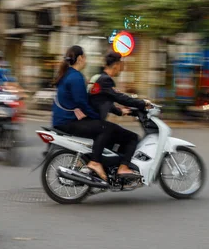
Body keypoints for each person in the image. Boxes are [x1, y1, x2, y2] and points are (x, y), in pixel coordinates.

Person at [52, 46, 113, 182]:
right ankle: (95, 162)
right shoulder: (75, 76)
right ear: (80, 59)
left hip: (61, 120)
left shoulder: (67, 74)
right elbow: (82, 103)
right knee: (105, 128)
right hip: (68, 122)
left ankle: (85, 163)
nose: (86, 60)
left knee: (97, 127)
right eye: (85, 57)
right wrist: (96, 117)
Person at [88, 52, 150, 177]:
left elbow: (101, 100)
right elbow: (120, 97)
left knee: (119, 137)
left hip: (92, 121)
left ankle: (111, 168)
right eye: (121, 64)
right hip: (97, 123)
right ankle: (123, 168)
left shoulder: (98, 77)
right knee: (132, 138)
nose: (122, 67)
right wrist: (142, 103)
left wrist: (119, 111)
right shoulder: (106, 80)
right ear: (116, 65)